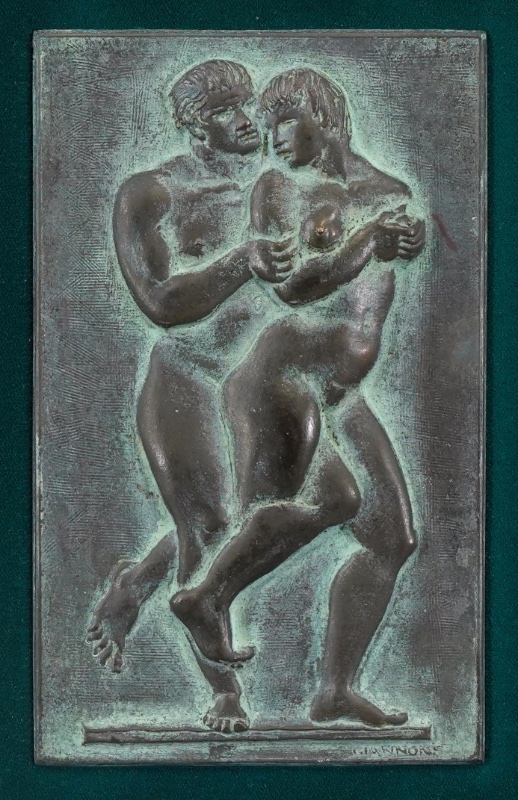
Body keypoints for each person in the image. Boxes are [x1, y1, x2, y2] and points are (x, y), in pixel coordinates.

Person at [171, 68, 425, 727]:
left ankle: (335, 689)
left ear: (323, 117)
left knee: (393, 537)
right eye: (269, 123)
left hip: (340, 392)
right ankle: (206, 596)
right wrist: (366, 242)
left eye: (286, 119)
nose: (274, 136)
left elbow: (377, 279)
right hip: (282, 378)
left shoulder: (388, 192)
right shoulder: (277, 188)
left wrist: (406, 241)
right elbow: (291, 287)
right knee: (294, 503)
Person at [87, 60, 295, 733]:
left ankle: (137, 582)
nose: (246, 120)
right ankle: (226, 690)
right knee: (206, 526)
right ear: (195, 125)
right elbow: (160, 303)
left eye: (247, 104)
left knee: (259, 521)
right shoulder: (151, 192)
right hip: (188, 376)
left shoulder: (283, 178)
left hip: (261, 379)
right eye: (225, 110)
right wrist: (243, 261)